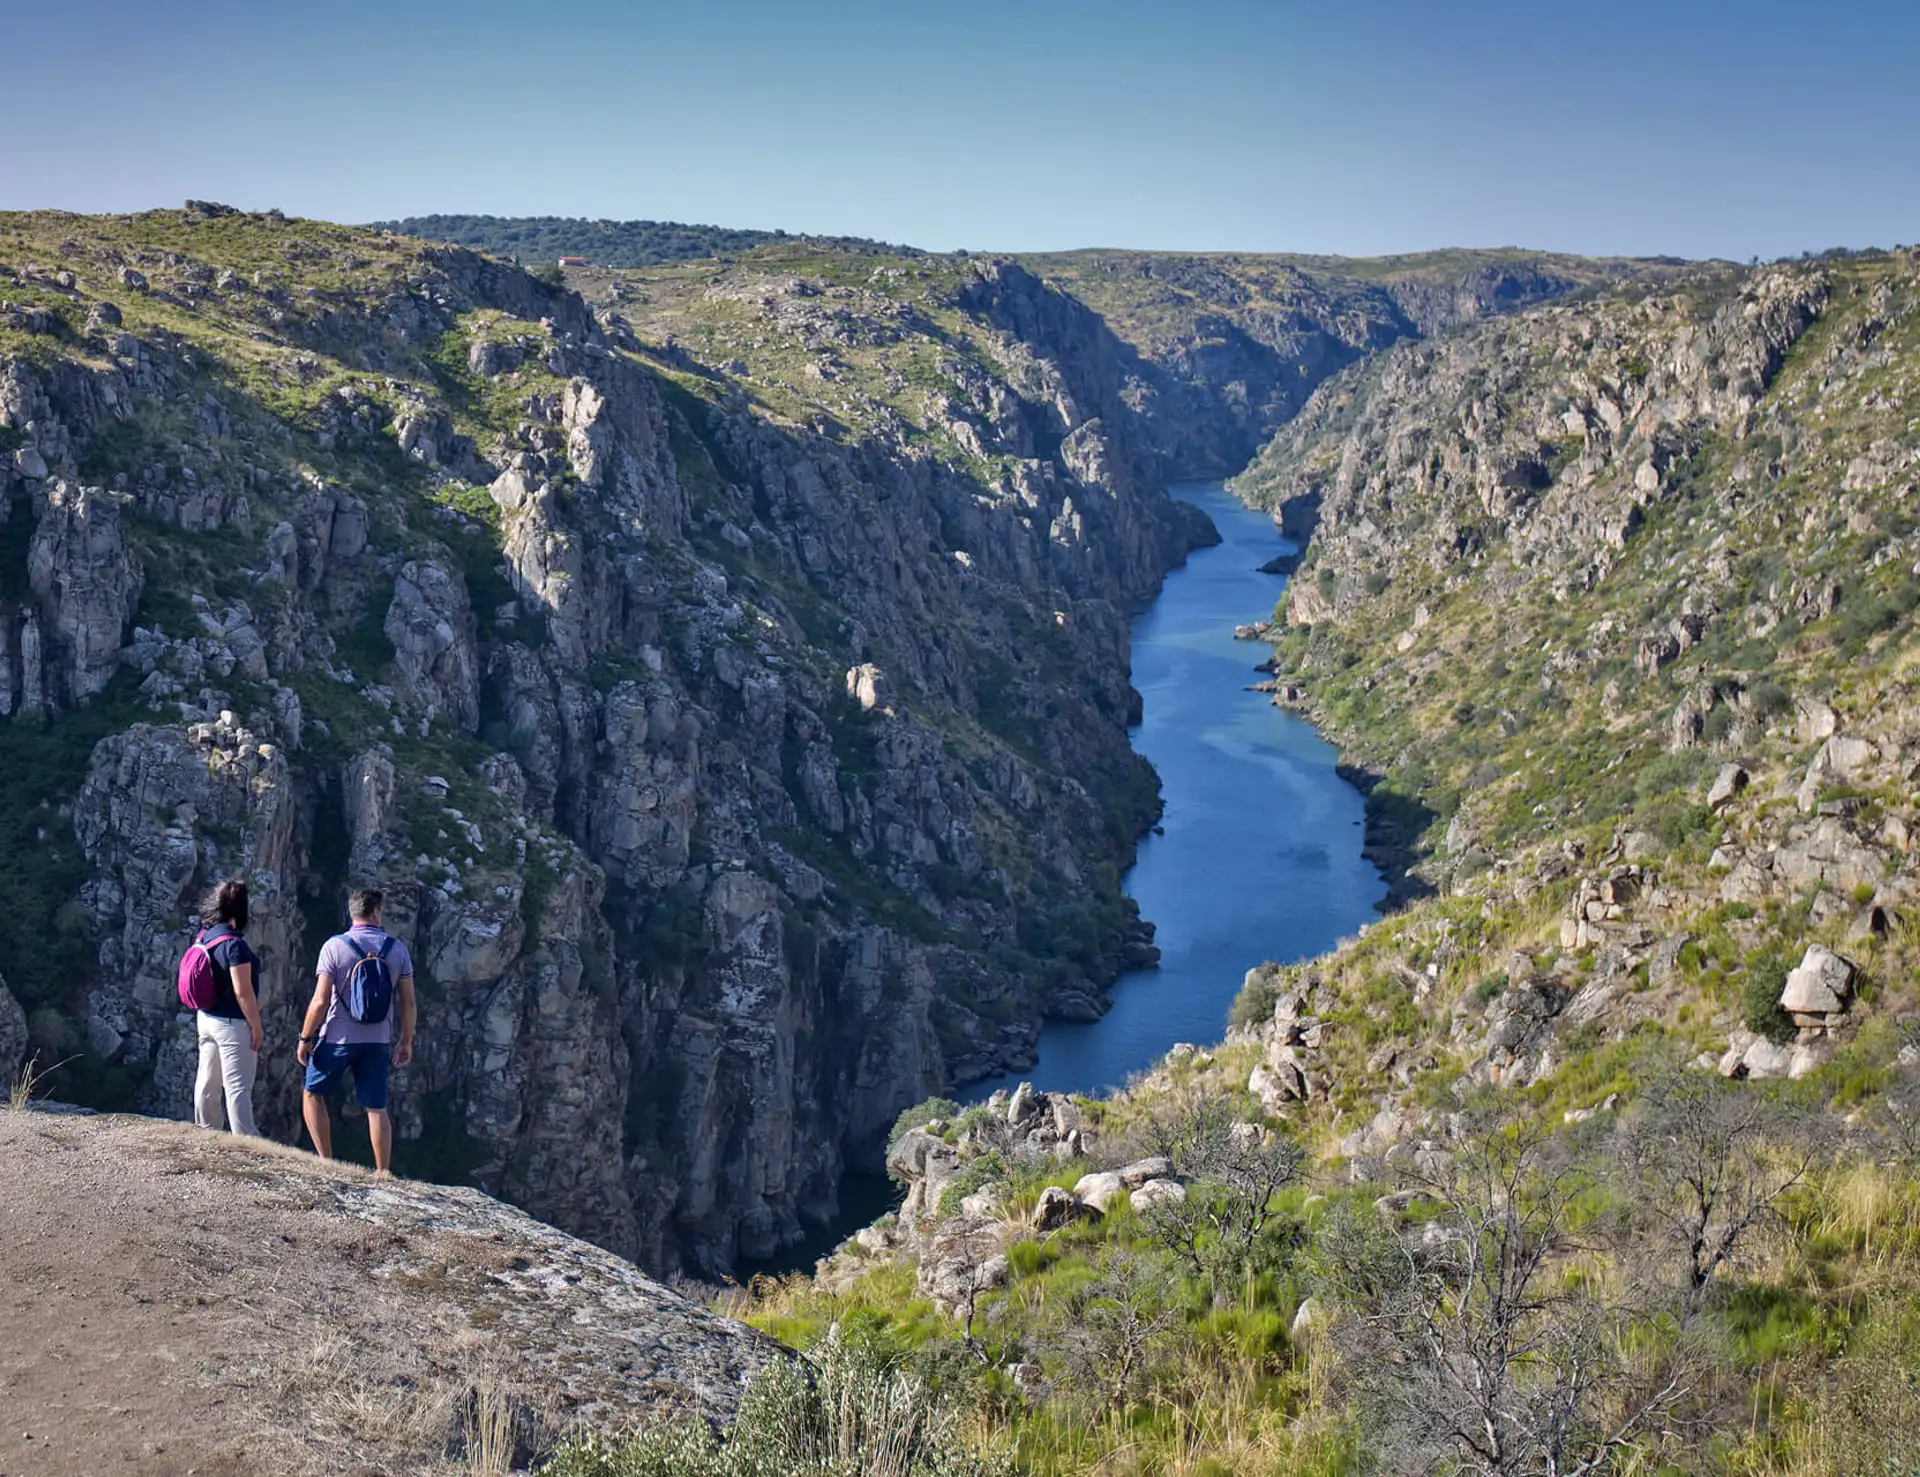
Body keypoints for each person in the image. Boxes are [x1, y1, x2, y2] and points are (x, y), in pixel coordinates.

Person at [296, 888, 417, 1172]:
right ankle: (382, 1172)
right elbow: (409, 1003)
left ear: (352, 912)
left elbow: (320, 1000)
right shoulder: (396, 949)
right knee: (376, 1108)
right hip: (378, 1040)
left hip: (338, 1037)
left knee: (312, 1093)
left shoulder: (334, 947)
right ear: (376, 912)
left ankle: (326, 1163)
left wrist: (305, 1037)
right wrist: (406, 1041)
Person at [191, 878, 265, 1136]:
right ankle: (245, 1143)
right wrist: (256, 1027)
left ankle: (206, 1133)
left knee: (207, 1082)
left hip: (206, 1018)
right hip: (232, 1024)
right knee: (237, 1088)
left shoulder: (204, 935)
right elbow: (243, 992)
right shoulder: (235, 945)